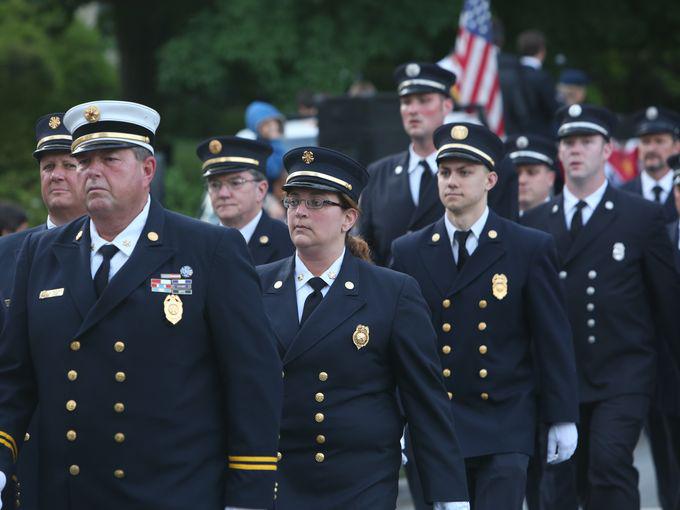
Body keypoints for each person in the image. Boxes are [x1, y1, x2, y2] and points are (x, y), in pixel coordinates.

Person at [0, 100, 282, 510]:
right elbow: (14, 379)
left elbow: (252, 380)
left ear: (147, 170)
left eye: (109, 159)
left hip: (173, 492)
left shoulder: (208, 250)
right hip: (67, 493)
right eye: (84, 161)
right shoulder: (41, 253)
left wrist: (248, 496)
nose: (92, 171)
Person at [257, 146, 470, 509]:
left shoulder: (391, 292)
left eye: (317, 202)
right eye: (293, 201)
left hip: (359, 479)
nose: (301, 212)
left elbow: (425, 400)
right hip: (280, 476)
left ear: (348, 218)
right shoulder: (257, 285)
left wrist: (449, 495)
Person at [390, 123, 578, 510]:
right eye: (445, 173)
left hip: (504, 418)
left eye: (464, 172)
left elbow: (551, 337)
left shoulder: (527, 246)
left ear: (490, 179)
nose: (452, 182)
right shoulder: (410, 250)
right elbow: (397, 343)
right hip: (436, 419)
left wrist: (562, 415)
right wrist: (396, 419)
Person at [521, 103, 680, 510]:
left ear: (607, 150)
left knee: (609, 465)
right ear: (559, 153)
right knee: (559, 481)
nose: (576, 150)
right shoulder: (537, 223)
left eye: (586, 141)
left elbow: (668, 305)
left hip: (623, 371)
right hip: (560, 376)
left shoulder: (641, 217)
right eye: (568, 142)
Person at [0, 112, 87, 510]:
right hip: (23, 446)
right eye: (48, 166)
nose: (56, 175)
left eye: (69, 165)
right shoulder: (9, 254)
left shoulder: (116, 254)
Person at [357, 62, 455, 265]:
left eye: (424, 100)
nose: (413, 110)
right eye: (406, 101)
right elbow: (365, 250)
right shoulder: (379, 174)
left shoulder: (468, 172)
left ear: (446, 105)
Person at [197, 135, 293, 265]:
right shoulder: (198, 243)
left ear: (261, 190)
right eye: (215, 185)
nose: (223, 194)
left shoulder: (288, 242)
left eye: (235, 183)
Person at [621, 106, 680, 223]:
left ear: (676, 147)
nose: (651, 149)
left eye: (659, 141)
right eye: (645, 141)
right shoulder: (622, 195)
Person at [514, 30, 559, 137]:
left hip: (514, 136)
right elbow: (553, 109)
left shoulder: (511, 75)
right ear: (542, 50)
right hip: (539, 137)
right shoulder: (542, 77)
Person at [505, 134, 558, 216]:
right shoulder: (495, 221)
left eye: (531, 172)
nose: (521, 180)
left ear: (550, 178)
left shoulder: (564, 218)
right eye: (516, 173)